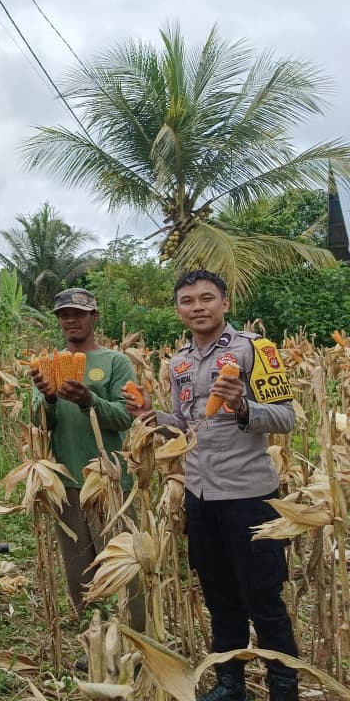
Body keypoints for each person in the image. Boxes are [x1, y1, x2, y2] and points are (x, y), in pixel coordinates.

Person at [163, 270, 298, 701]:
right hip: (200, 497)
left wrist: (241, 403)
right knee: (219, 596)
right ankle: (229, 683)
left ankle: (283, 686)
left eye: (207, 298)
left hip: (249, 496)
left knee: (263, 597)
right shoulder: (178, 363)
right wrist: (147, 413)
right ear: (178, 310)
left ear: (225, 303)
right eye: (187, 301)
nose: (197, 307)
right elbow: (183, 426)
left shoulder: (256, 349)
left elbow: (286, 418)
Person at [29, 288, 145, 634]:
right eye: (64, 315)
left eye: (78, 314)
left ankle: (132, 639)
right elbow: (39, 424)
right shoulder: (48, 365)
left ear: (94, 317)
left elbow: (125, 417)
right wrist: (49, 399)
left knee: (122, 565)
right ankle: (92, 639)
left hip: (110, 480)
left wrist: (88, 400)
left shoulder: (115, 363)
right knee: (79, 570)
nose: (71, 320)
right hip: (66, 481)